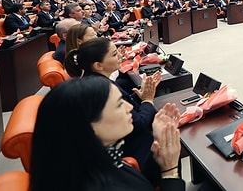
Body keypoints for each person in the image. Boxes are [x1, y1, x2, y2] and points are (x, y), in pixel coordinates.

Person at [29, 76, 185, 191]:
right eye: (118, 104)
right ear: (89, 125)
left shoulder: (84, 160)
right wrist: (170, 171)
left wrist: (160, 143)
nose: (129, 107)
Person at [64, 38, 162, 181]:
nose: (121, 56)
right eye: (115, 54)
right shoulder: (103, 90)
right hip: (135, 150)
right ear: (98, 65)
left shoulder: (96, 81)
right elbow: (138, 124)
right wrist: (147, 100)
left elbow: (125, 101)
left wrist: (140, 94)